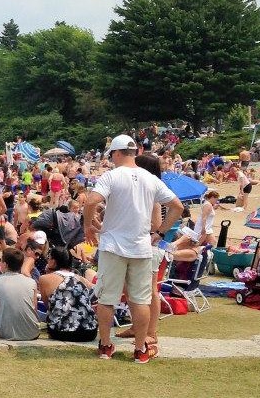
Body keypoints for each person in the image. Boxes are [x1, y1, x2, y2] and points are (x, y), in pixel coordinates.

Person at [84, 135, 183, 364]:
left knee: (108, 299)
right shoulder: (150, 178)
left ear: (116, 153)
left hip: (113, 246)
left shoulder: (111, 176)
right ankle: (140, 348)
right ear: (135, 153)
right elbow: (177, 206)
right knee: (140, 300)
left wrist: (88, 225)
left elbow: (91, 201)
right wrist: (160, 233)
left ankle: (106, 345)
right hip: (141, 247)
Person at [0, 248, 39, 341]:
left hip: (7, 332)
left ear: (5, 264)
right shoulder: (31, 282)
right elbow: (34, 308)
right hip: (32, 332)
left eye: (1, 260)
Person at [38, 247, 97, 342]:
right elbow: (96, 291)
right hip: (89, 331)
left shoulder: (44, 279)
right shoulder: (80, 279)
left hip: (62, 331)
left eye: (49, 258)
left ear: (53, 261)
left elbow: (48, 306)